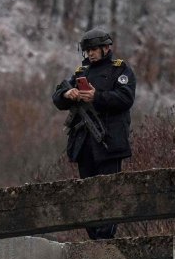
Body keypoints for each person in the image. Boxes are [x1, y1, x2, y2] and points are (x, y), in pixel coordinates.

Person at [52, 27, 136, 239]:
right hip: (84, 143)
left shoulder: (120, 70)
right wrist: (67, 93)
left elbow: (125, 99)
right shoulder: (81, 72)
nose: (90, 54)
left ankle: (105, 237)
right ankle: (93, 237)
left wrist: (96, 97)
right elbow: (57, 98)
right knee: (86, 194)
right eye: (87, 50)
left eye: (94, 50)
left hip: (108, 141)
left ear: (106, 48)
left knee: (109, 192)